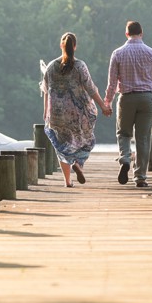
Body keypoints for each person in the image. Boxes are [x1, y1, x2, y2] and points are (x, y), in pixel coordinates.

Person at [42, 32, 111, 187]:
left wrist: (46, 111)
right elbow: (91, 89)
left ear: (61, 45)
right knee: (85, 141)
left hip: (57, 116)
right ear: (75, 46)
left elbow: (46, 90)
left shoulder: (51, 66)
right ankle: (78, 164)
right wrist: (103, 106)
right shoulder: (80, 66)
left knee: (62, 146)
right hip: (79, 115)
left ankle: (67, 181)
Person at [104, 20, 152, 187]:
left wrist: (108, 102)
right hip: (147, 99)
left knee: (123, 133)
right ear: (142, 33)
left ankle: (125, 158)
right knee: (143, 139)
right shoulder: (151, 53)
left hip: (126, 98)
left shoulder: (117, 53)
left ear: (126, 34)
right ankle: (140, 177)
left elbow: (112, 83)